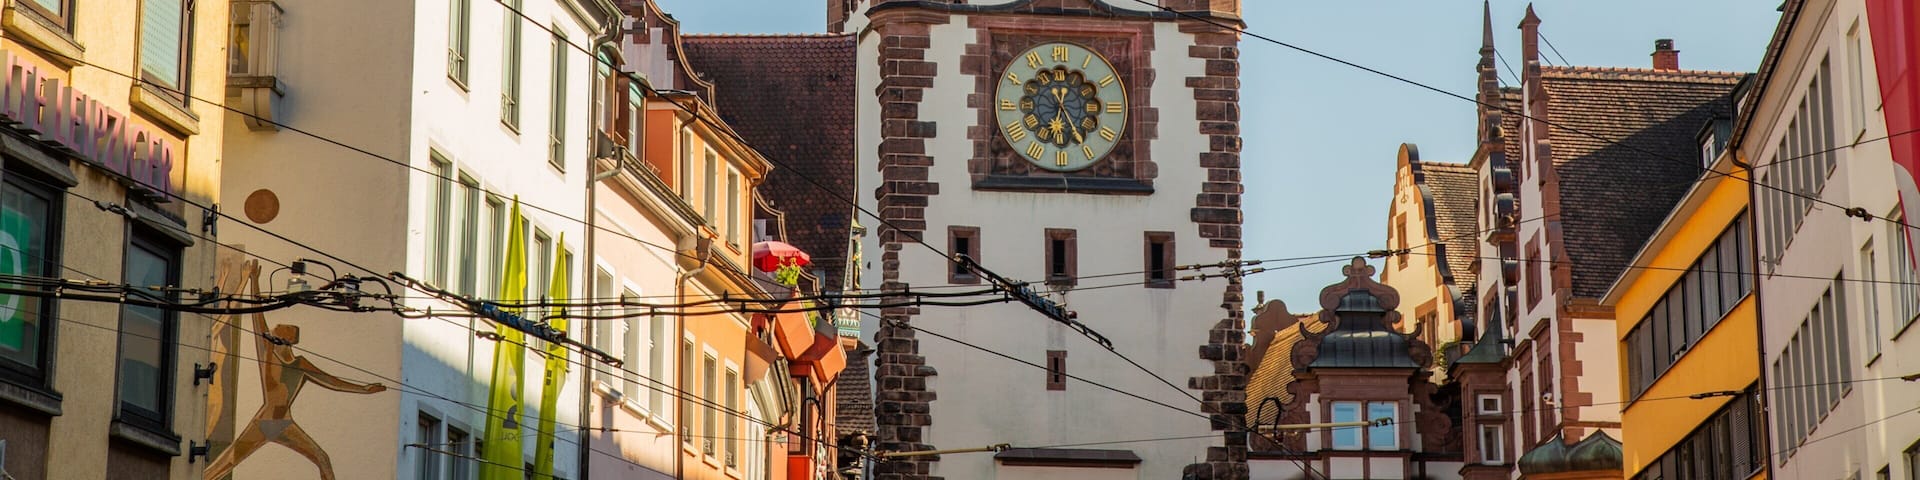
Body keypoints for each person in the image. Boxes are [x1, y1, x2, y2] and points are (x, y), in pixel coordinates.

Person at [202, 303, 385, 480]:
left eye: (277, 335)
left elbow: (331, 381)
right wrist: (253, 278)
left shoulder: (300, 364)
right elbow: (257, 315)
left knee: (322, 458)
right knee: (224, 465)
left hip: (285, 424)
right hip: (263, 423)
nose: (272, 336)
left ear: (285, 340)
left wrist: (364, 389)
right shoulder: (267, 352)